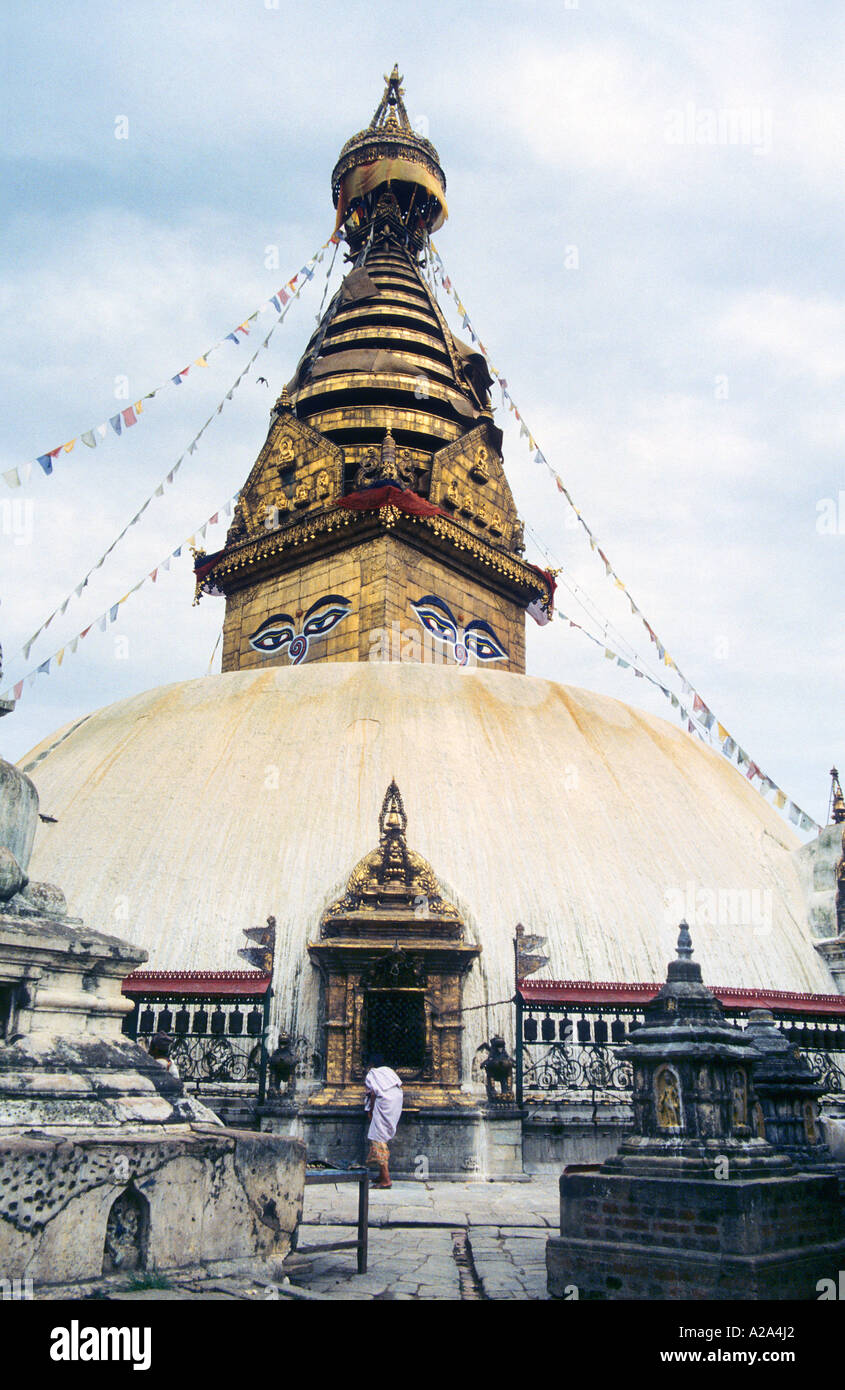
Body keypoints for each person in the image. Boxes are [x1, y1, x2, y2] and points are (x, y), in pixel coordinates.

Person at [364, 1053, 403, 1189]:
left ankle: (386, 1179)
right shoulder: (389, 1071)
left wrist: (371, 1110)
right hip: (396, 1100)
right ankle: (381, 1175)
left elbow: (373, 1093)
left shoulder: (372, 1074)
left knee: (378, 1138)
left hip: (383, 1102)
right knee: (382, 1135)